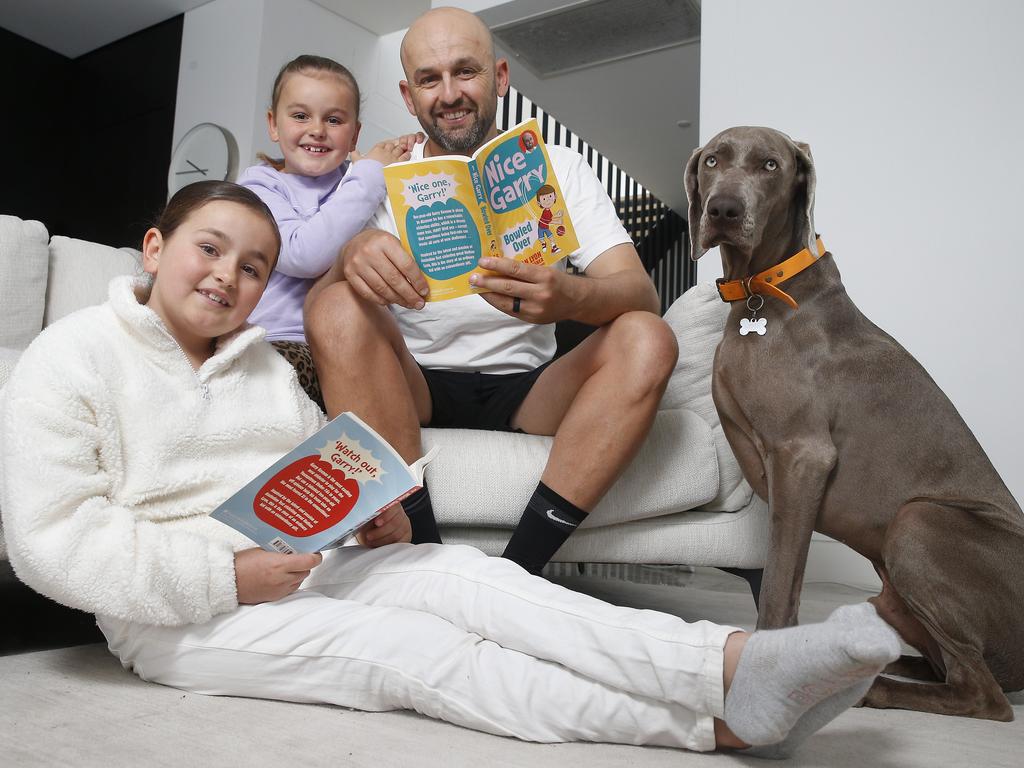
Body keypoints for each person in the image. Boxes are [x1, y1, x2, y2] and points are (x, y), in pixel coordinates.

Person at [0, 182, 901, 757]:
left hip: (312, 567)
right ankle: (715, 719)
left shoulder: (263, 369)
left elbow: (314, 472)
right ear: (155, 250)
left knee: (471, 581)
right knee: (417, 654)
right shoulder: (70, 356)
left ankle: (736, 657)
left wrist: (370, 515)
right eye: (208, 249)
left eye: (252, 266)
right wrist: (218, 573)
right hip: (181, 611)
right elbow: (49, 542)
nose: (228, 277)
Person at [304, 7, 679, 574]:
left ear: (500, 77)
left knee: (648, 337)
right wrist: (349, 258)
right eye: (430, 79)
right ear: (409, 97)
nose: (449, 93)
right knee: (335, 304)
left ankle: (519, 574)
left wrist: (569, 297)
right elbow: (317, 313)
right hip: (415, 382)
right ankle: (422, 562)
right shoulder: (376, 179)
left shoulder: (560, 166)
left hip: (530, 389)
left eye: (466, 72)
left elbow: (641, 295)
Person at [236, 54, 439, 543]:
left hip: (349, 353)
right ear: (273, 124)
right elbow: (304, 253)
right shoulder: (261, 186)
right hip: (279, 347)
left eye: (334, 119)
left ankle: (393, 523)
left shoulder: (364, 185)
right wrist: (368, 171)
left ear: (354, 132)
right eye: (300, 115)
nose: (316, 131)